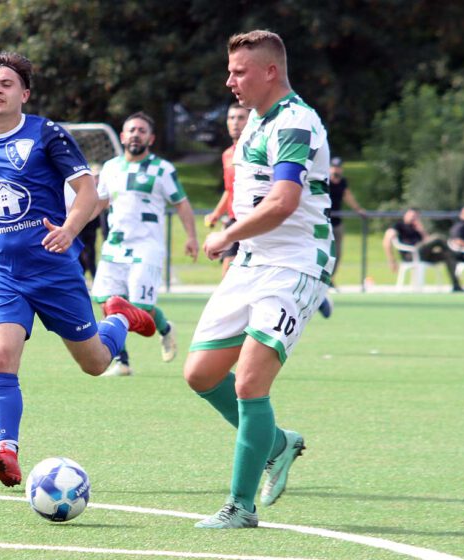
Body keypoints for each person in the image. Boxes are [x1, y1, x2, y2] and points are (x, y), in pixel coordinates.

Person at [0, 52, 156, 488]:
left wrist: (70, 230)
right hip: (3, 272)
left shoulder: (46, 133)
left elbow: (86, 189)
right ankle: (6, 451)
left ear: (24, 94)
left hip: (54, 270)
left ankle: (122, 316)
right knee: (0, 356)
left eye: (7, 83)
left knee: (94, 363)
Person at [184, 30, 335, 530]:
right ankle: (278, 443)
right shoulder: (255, 122)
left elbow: (284, 202)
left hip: (294, 263)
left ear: (270, 71)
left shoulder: (295, 122)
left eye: (240, 71)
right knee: (201, 374)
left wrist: (225, 234)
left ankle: (240, 507)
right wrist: (236, 235)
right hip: (252, 261)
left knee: (250, 383)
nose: (230, 80)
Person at [91, 111, 199, 376]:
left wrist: (192, 237)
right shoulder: (111, 168)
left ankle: (165, 328)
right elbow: (100, 202)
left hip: (146, 248)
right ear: (122, 136)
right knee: (108, 303)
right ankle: (122, 361)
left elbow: (181, 203)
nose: (136, 134)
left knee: (141, 310)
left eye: (141, 130)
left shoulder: (163, 169)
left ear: (150, 138)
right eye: (131, 130)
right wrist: (72, 226)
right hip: (115, 246)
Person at [204, 103, 250, 278]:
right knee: (229, 272)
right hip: (234, 219)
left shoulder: (256, 150)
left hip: (253, 218)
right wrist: (216, 214)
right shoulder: (227, 155)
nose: (235, 122)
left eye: (240, 118)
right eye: (231, 118)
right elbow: (229, 190)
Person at [382, 207, 464, 292]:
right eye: (412, 215)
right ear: (405, 215)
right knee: (437, 238)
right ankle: (458, 255)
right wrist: (391, 260)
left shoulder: (417, 228)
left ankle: (456, 285)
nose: (413, 218)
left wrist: (421, 230)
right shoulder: (398, 225)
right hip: (411, 254)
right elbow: (387, 240)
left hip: (425, 255)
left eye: (416, 216)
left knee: (448, 255)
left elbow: (427, 241)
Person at [327, 157, 366, 284]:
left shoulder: (343, 182)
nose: (336, 169)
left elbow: (347, 196)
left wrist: (358, 209)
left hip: (337, 222)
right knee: (325, 251)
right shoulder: (325, 180)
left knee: (337, 253)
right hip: (324, 220)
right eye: (334, 167)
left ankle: (330, 278)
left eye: (338, 167)